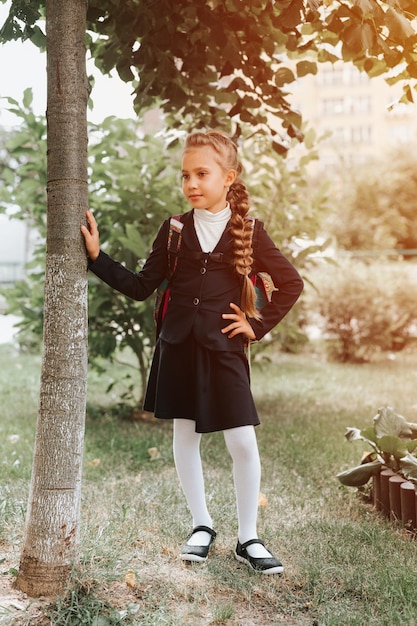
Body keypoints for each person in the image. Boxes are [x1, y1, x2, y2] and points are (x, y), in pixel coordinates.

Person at [81, 130, 303, 575]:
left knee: (241, 441)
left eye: (202, 173)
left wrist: (255, 325)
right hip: (178, 346)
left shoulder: (250, 232)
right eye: (186, 175)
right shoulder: (175, 229)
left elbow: (291, 283)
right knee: (186, 437)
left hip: (224, 350)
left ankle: (248, 537)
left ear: (228, 177)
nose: (191, 183)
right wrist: (96, 257)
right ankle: (201, 525)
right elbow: (143, 287)